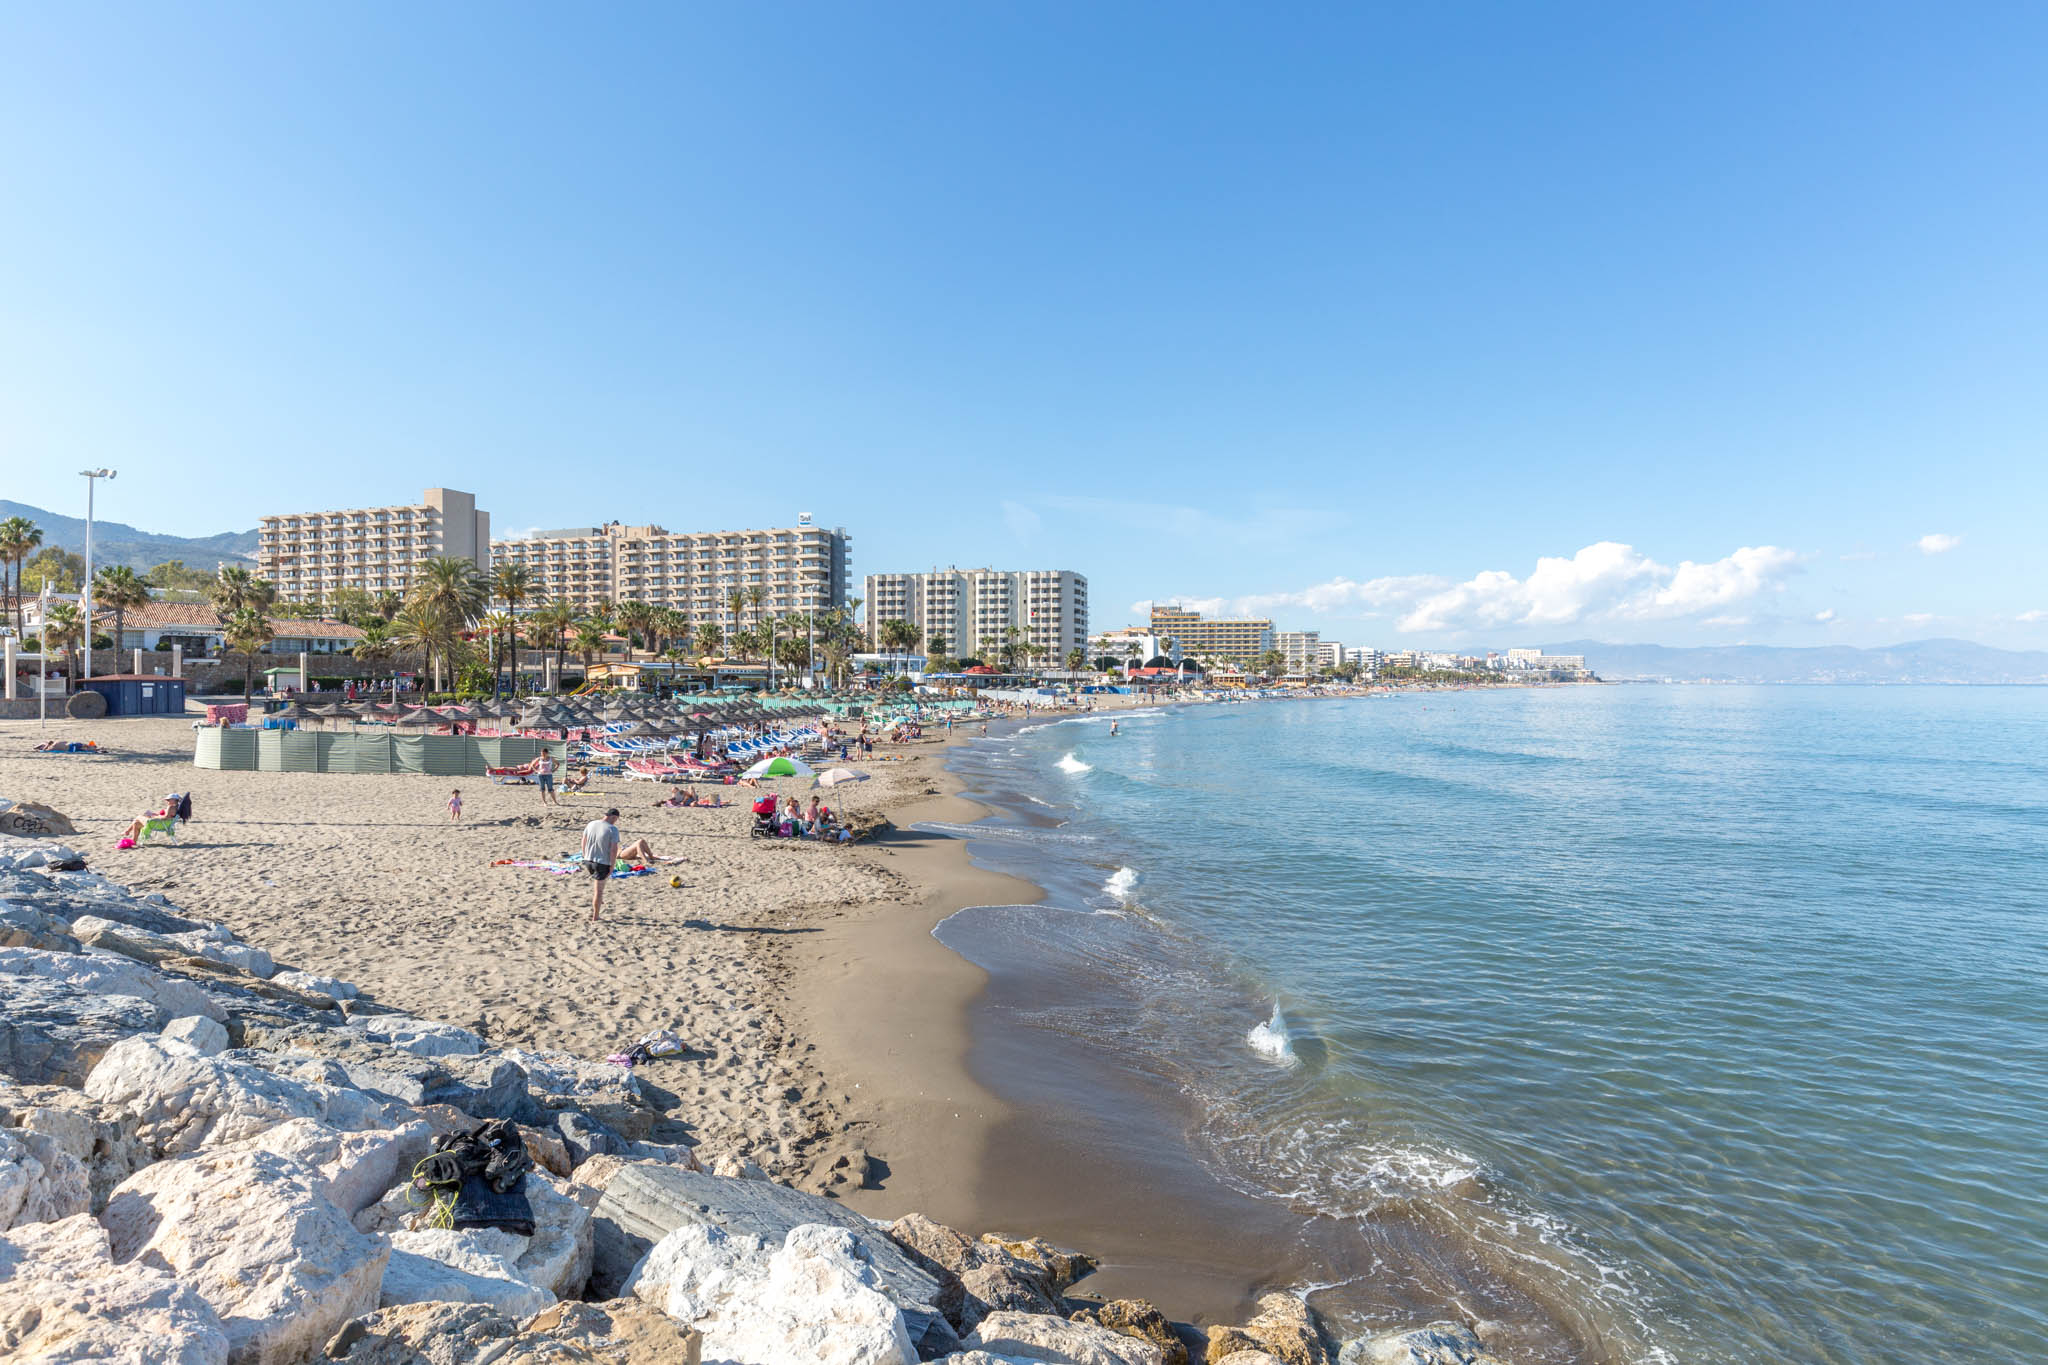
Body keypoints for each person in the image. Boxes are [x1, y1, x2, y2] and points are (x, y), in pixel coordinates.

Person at [582, 808, 622, 922]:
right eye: (616, 820)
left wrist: (585, 855)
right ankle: (596, 916)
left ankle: (598, 901)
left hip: (588, 861)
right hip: (602, 863)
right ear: (613, 817)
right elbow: (614, 850)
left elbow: (583, 841)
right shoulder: (612, 829)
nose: (615, 822)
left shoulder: (591, 824)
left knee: (599, 885)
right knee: (598, 891)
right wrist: (612, 865)